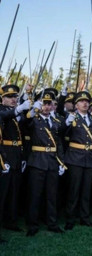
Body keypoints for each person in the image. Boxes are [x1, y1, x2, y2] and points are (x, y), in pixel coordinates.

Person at [25, 91, 66, 236]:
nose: (47, 107)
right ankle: (33, 224)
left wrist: (61, 162)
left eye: (49, 104)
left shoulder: (55, 122)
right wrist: (32, 109)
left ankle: (52, 223)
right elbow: (25, 122)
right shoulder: (34, 119)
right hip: (37, 161)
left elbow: (59, 143)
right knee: (35, 195)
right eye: (44, 104)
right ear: (40, 105)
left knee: (51, 195)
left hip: (52, 162)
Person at [64, 91, 92, 230]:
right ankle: (70, 218)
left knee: (87, 190)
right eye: (81, 101)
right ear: (76, 105)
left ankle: (84, 217)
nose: (85, 103)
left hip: (90, 158)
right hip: (75, 157)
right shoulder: (72, 118)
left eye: (87, 101)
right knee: (74, 190)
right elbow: (61, 134)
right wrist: (67, 123)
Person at [0, 85, 30, 232]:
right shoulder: (2, 111)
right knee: (3, 193)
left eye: (15, 97)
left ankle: (11, 221)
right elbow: (4, 116)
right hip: (5, 155)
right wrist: (18, 109)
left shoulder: (16, 114)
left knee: (14, 191)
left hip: (17, 155)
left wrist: (23, 156)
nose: (13, 99)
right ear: (2, 99)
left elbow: (22, 136)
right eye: (9, 97)